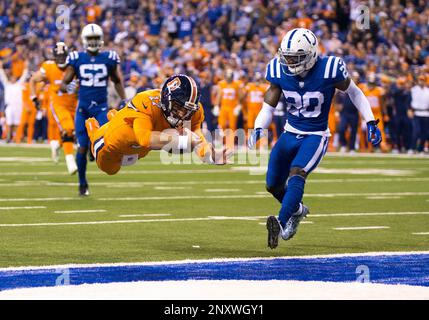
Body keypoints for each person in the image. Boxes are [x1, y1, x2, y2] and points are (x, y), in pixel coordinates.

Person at [247, 28, 382, 249]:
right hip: (290, 133)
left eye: (295, 57)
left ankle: (280, 224)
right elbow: (268, 103)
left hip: (315, 135)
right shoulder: (278, 70)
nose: (289, 62)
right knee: (272, 185)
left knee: (297, 174)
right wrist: (258, 127)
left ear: (310, 55)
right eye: (287, 56)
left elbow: (354, 92)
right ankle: (298, 210)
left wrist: (369, 121)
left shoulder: (329, 69)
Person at [85, 74, 228, 175]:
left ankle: (117, 115)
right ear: (166, 100)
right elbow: (144, 138)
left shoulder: (194, 111)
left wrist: (208, 155)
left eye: (187, 110)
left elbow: (197, 136)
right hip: (112, 142)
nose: (182, 115)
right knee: (110, 170)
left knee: (136, 155)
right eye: (178, 107)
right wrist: (178, 140)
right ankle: (94, 131)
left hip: (139, 149)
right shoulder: (146, 102)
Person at [60, 24, 126, 196]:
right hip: (83, 109)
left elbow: (117, 81)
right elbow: (65, 82)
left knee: (106, 142)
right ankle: (82, 183)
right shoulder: (76, 58)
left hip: (101, 108)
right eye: (91, 39)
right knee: (81, 147)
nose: (94, 42)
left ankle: (93, 147)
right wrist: (68, 85)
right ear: (84, 40)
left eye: (96, 38)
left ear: (101, 39)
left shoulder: (109, 58)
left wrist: (124, 99)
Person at [30, 42, 79, 173]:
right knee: (68, 129)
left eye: (63, 56)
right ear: (54, 57)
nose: (61, 59)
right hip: (59, 104)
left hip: (75, 104)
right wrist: (34, 97)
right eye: (59, 56)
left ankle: (57, 144)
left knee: (76, 133)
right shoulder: (49, 67)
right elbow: (33, 80)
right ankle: (70, 162)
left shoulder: (75, 65)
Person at [0, 60, 29, 143]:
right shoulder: (7, 85)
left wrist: (26, 68)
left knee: (16, 123)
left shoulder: (19, 84)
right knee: (9, 122)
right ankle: (8, 137)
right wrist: (1, 68)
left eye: (14, 77)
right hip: (9, 106)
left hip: (18, 106)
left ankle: (16, 137)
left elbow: (24, 76)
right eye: (11, 77)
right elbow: (2, 77)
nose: (13, 79)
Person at [409, 75, 429, 154]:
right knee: (416, 131)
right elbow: (409, 100)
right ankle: (412, 148)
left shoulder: (428, 90)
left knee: (424, 133)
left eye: (423, 80)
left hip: (426, 113)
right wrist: (409, 109)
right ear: (418, 81)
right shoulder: (413, 90)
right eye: (420, 80)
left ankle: (420, 149)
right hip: (416, 112)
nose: (421, 81)